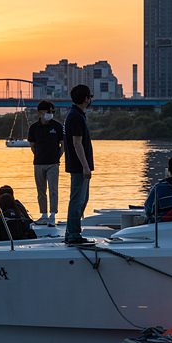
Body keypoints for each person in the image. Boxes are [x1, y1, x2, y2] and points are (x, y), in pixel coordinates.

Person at [63, 84, 94, 246]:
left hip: (78, 165)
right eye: (90, 97)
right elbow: (77, 143)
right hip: (79, 166)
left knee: (81, 200)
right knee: (77, 200)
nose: (90, 100)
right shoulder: (76, 116)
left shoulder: (74, 114)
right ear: (85, 99)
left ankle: (71, 231)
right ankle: (73, 234)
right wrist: (85, 166)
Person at [27, 100, 64, 226]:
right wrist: (37, 155)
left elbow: (62, 144)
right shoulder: (33, 128)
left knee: (53, 189)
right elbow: (32, 145)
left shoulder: (57, 126)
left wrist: (58, 156)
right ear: (41, 112)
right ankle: (43, 215)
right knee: (41, 190)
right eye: (49, 111)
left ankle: (53, 214)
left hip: (53, 163)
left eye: (53, 111)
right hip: (38, 163)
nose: (51, 113)